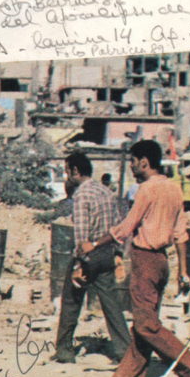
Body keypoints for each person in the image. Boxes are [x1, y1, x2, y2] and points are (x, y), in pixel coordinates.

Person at [105, 139, 190, 377]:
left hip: (145, 260)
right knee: (145, 322)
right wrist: (183, 271)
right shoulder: (174, 188)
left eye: (133, 161)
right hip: (162, 262)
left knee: (146, 324)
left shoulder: (146, 190)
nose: (131, 166)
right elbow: (181, 233)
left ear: (144, 162)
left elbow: (126, 227)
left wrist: (95, 243)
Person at [53, 152, 131, 364]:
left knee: (71, 301)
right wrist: (116, 254)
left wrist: (79, 263)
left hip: (88, 256)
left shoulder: (82, 195)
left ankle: (64, 351)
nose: (66, 176)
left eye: (67, 171)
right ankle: (125, 351)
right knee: (111, 303)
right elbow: (116, 226)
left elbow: (81, 235)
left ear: (75, 171)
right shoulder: (106, 192)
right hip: (105, 252)